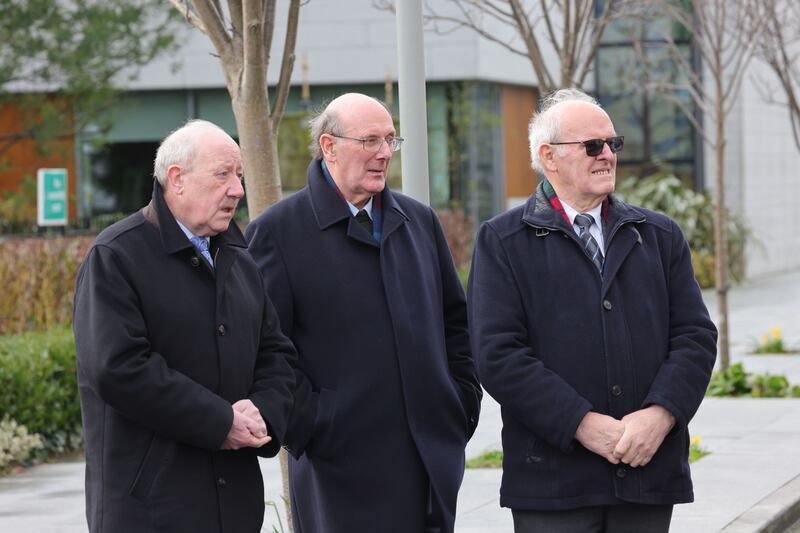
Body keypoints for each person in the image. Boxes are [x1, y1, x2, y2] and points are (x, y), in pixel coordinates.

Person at [468, 88, 718, 533]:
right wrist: (581, 424)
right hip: (553, 482)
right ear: (549, 157)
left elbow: (695, 337)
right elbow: (498, 355)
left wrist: (660, 415)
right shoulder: (503, 241)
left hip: (647, 473)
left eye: (612, 144)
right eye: (592, 146)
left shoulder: (659, 235)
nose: (607, 155)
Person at [245, 93, 481, 533]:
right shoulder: (276, 232)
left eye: (391, 140)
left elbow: (455, 325)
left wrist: (459, 403)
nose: (383, 153)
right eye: (370, 140)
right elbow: (265, 351)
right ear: (329, 146)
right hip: (338, 471)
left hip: (429, 463)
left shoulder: (419, 221)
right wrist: (314, 424)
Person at [73, 119, 296, 533]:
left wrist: (263, 410)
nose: (237, 190)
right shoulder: (116, 257)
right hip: (150, 512)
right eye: (223, 175)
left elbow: (277, 355)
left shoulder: (239, 258)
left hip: (234, 508)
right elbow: (118, 367)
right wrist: (220, 421)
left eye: (241, 175)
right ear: (176, 179)